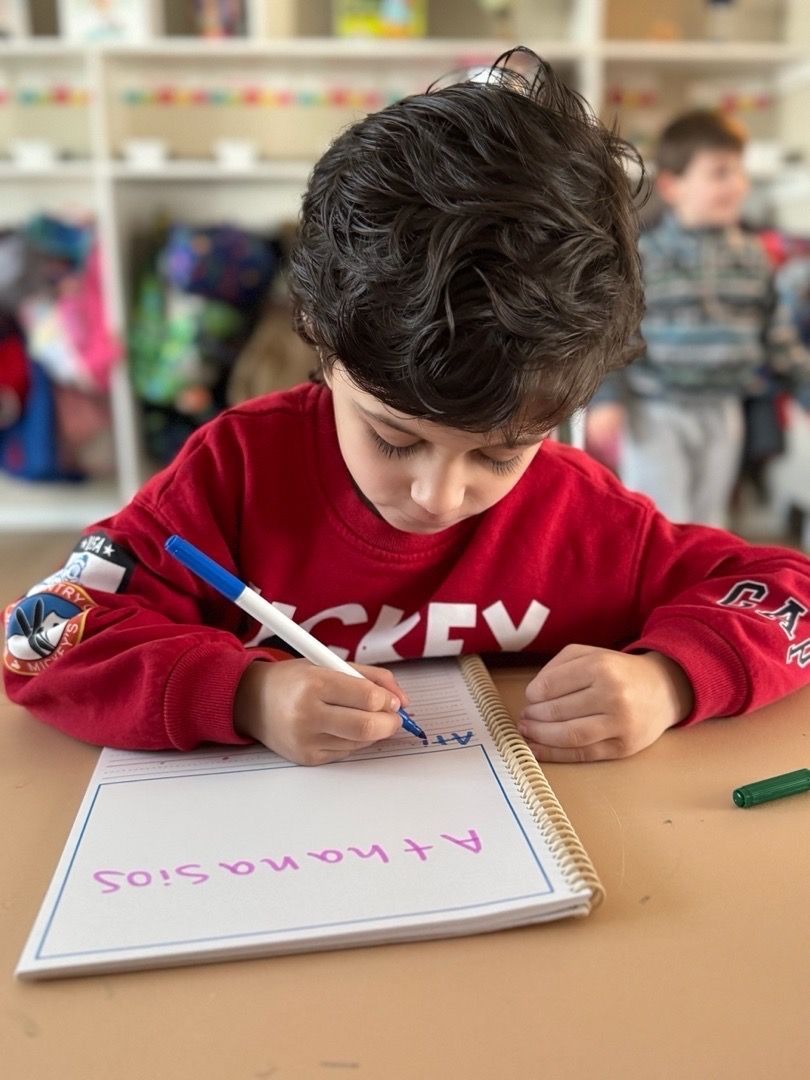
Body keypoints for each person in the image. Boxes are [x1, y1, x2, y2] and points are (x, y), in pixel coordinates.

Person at [3, 51, 809, 766]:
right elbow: (35, 642)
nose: (438, 495)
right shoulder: (235, 476)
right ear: (321, 343)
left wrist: (668, 679)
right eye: (393, 437)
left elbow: (790, 591)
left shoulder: (582, 518)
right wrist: (247, 696)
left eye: (499, 453)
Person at [586, 108, 810, 527]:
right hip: (657, 412)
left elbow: (778, 337)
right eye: (719, 173)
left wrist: (804, 388)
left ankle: (697, 594)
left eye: (739, 172)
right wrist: (607, 400)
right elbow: (613, 337)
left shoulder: (755, 257)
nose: (736, 184)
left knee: (708, 525)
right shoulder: (645, 257)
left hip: (723, 410)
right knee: (662, 522)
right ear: (672, 185)